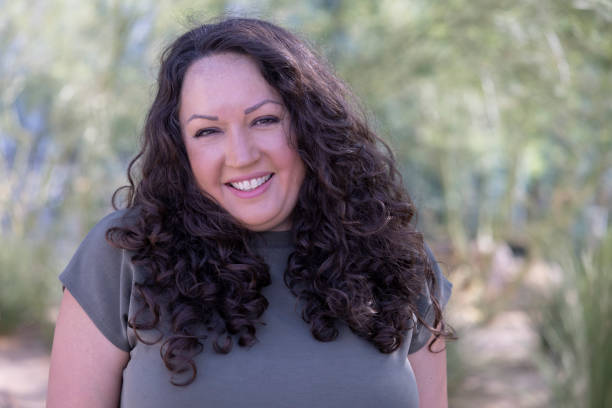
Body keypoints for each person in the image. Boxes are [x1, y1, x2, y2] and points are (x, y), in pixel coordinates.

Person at [47, 17, 454, 408]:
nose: (241, 156)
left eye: (264, 120)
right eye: (207, 131)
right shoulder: (124, 255)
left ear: (311, 125)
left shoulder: (395, 258)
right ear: (181, 150)